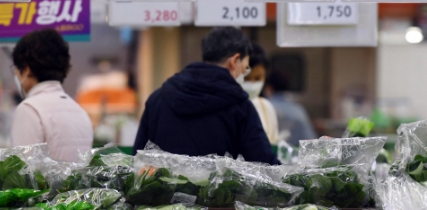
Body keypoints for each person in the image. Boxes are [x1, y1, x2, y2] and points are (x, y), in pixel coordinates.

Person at [133, 27, 280, 164]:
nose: (245, 74)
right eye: (246, 68)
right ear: (234, 61)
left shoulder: (157, 99)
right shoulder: (240, 106)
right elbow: (263, 164)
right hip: (219, 193)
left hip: (163, 192)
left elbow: (138, 161)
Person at [11, 28, 93, 162]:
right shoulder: (79, 110)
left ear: (26, 69)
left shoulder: (30, 109)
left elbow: (24, 173)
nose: (15, 74)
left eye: (16, 68)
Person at [264, 70, 317, 146]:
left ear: (269, 88)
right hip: (299, 155)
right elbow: (311, 140)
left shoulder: (265, 108)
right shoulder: (298, 110)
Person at [241, 43, 280, 144]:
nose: (252, 84)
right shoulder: (226, 108)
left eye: (258, 78)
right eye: (247, 78)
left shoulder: (266, 108)